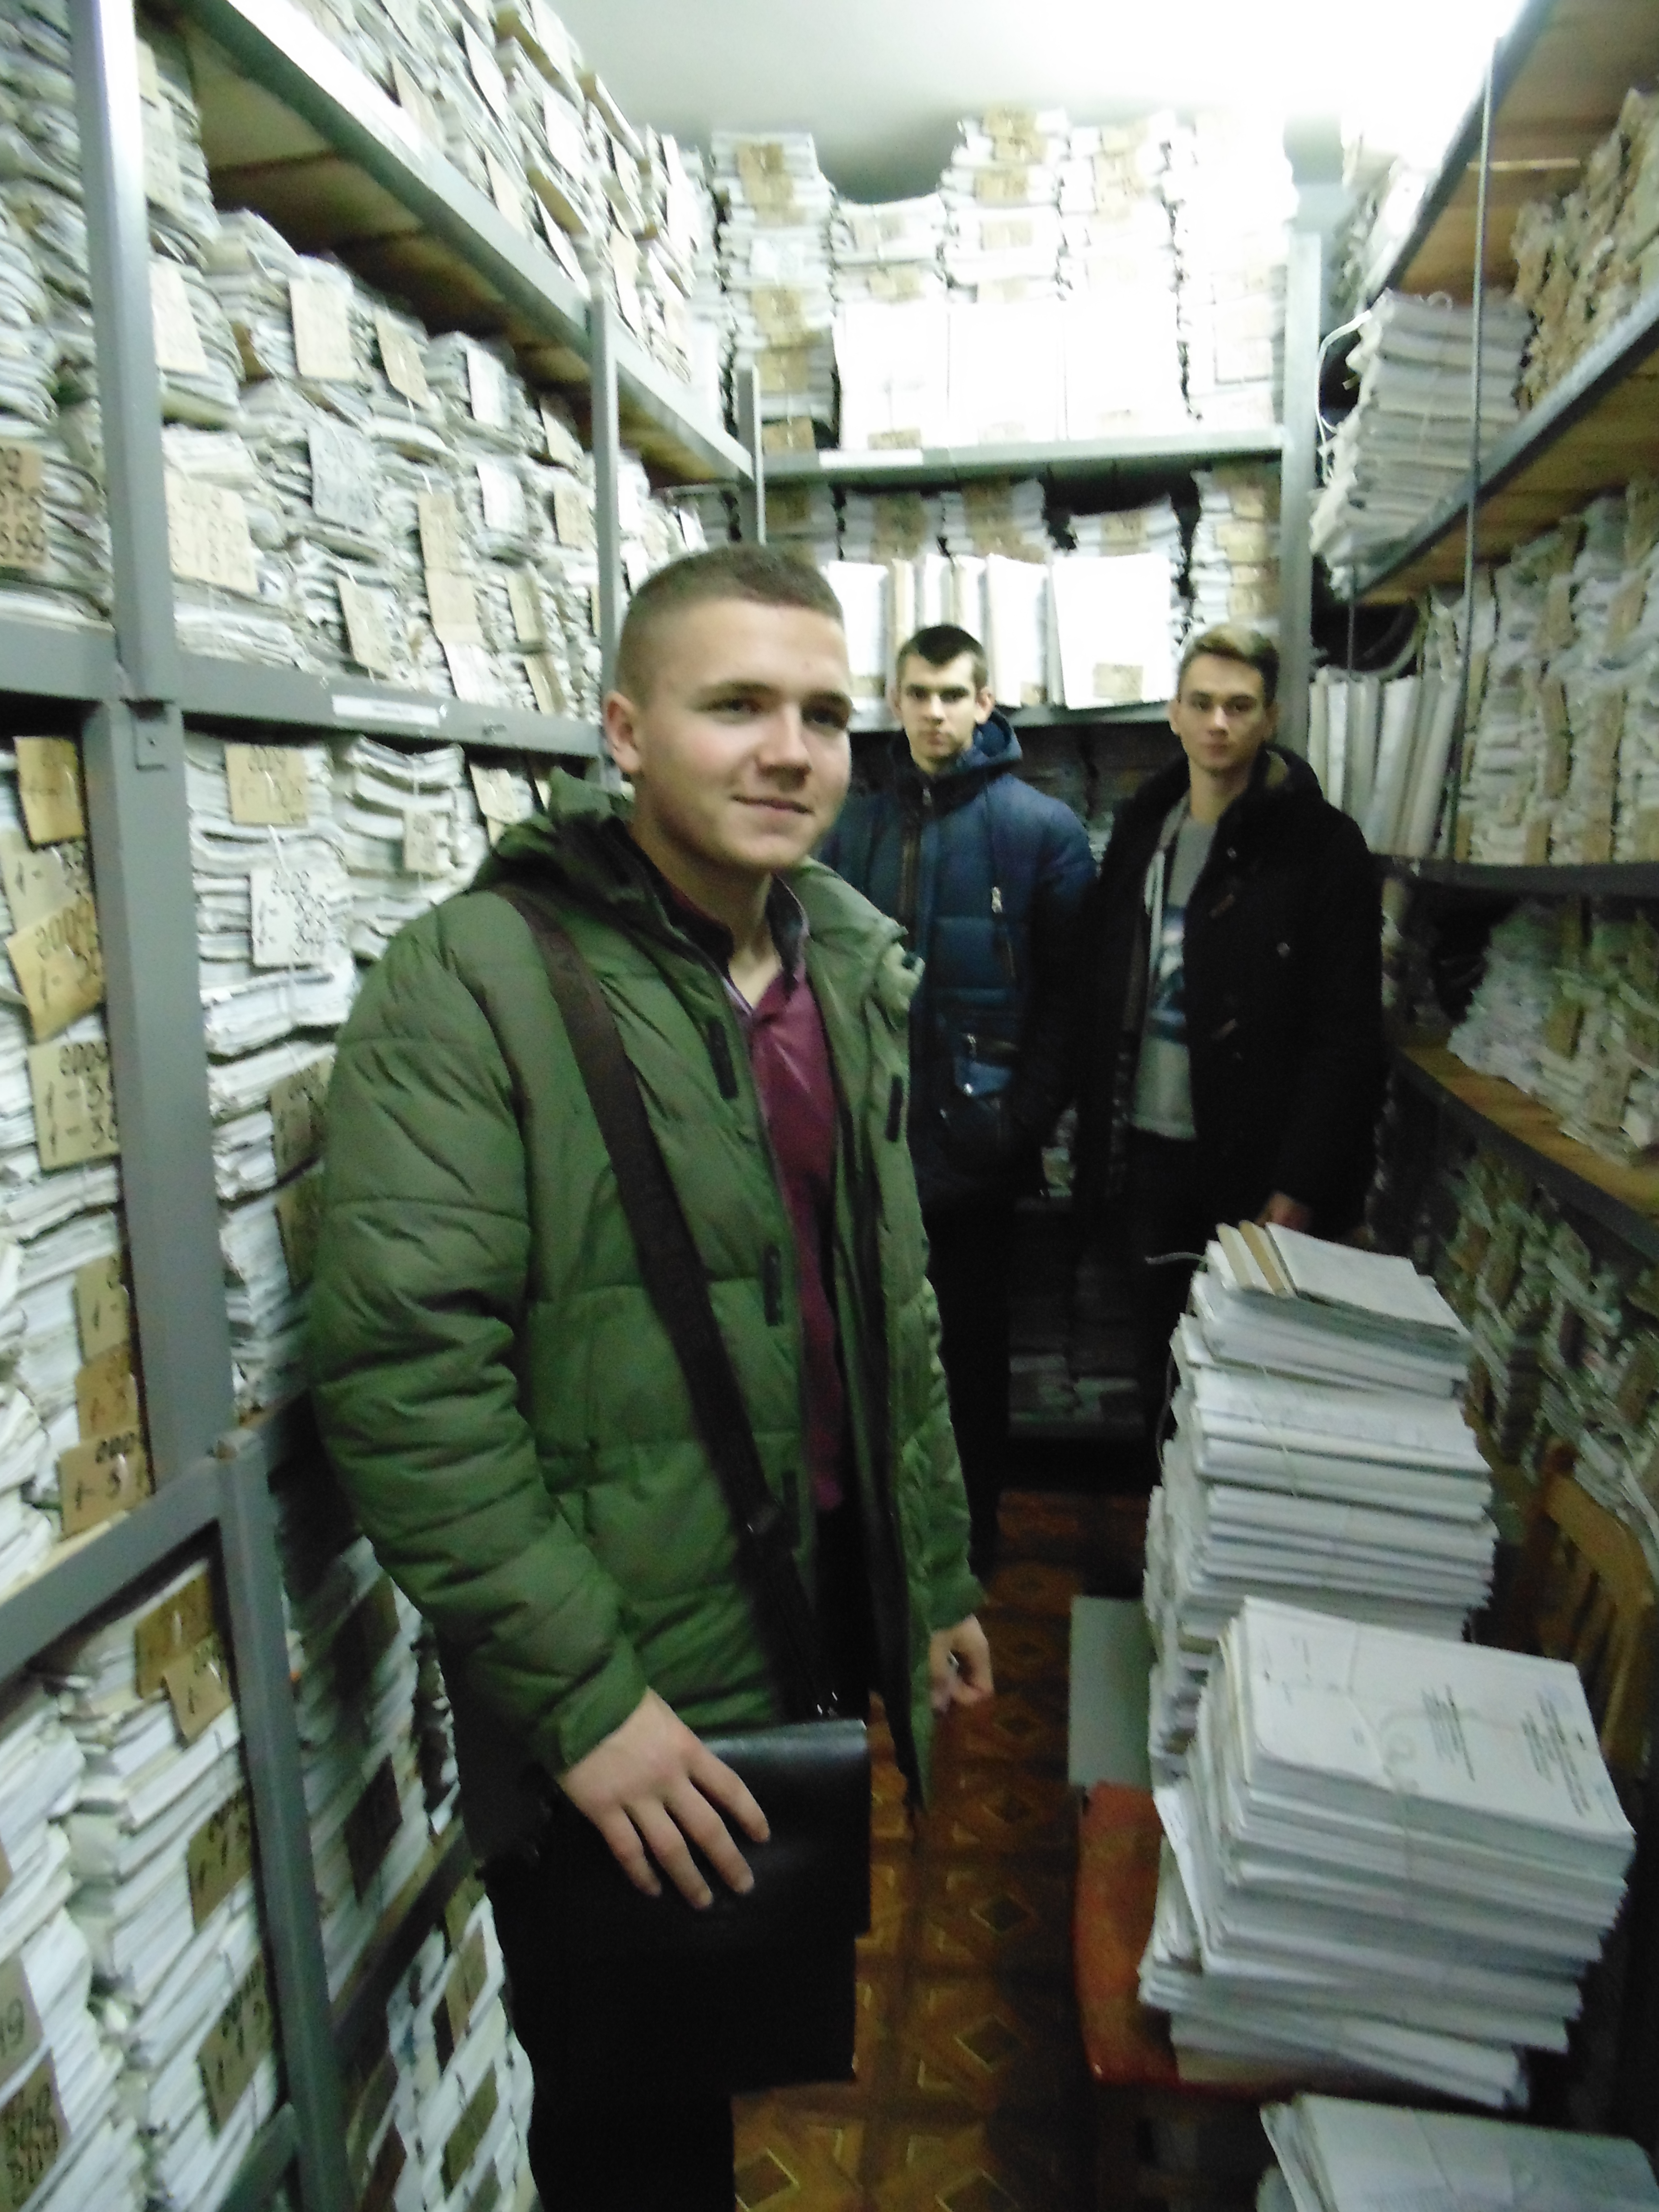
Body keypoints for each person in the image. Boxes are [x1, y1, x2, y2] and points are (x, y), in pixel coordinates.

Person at [307, 547, 991, 2212]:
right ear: (623, 731)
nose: (790, 751)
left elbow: (882, 1303)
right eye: (734, 705)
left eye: (822, 714)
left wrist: (928, 1570)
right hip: (618, 1677)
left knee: (716, 2065)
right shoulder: (473, 980)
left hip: (797, 1613)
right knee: (627, 2128)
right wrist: (588, 1702)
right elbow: (409, 1374)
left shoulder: (842, 962)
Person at [818, 625, 1094, 1577]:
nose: (934, 713)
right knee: (861, 1346)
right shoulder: (851, 826)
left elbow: (1073, 1002)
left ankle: (971, 1542)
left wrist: (1017, 1125)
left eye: (952, 695)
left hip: (974, 1148)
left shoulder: (1042, 831)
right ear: (895, 703)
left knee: (969, 1358)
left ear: (985, 703)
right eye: (918, 694)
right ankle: (877, 1541)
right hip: (862, 1142)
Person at [1076, 624, 1384, 1437]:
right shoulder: (1143, 831)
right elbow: (1104, 989)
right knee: (1158, 1364)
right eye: (1203, 703)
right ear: (1174, 713)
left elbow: (1347, 1035)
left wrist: (1299, 1188)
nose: (1218, 723)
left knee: (1257, 1386)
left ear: (1271, 718)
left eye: (1240, 706)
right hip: (1149, 1147)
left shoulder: (1323, 848)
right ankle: (1164, 1514)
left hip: (1258, 1160)